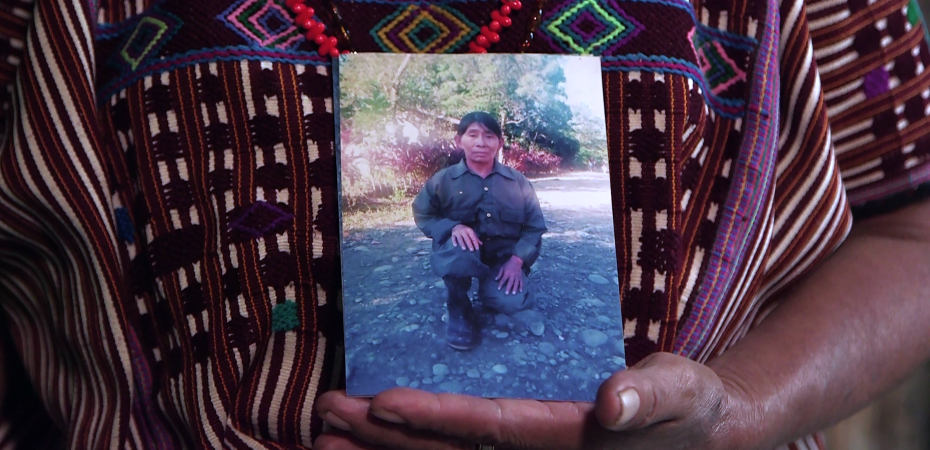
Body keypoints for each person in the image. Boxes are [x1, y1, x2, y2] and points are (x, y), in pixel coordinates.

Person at [1, 0, 930, 449]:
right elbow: (415, 211)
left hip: (527, 287)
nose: (482, 153)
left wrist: (739, 409)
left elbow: (911, 228)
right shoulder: (445, 180)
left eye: (492, 143)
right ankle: (460, 321)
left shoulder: (523, 188)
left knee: (504, 280)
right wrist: (444, 234)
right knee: (457, 274)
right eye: (472, 143)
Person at [411, 112, 547, 351]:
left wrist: (517, 261)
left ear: (500, 143)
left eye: (489, 136)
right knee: (458, 246)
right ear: (459, 141)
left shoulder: (519, 183)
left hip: (503, 259)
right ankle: (459, 305)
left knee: (511, 302)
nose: (481, 142)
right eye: (472, 135)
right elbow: (424, 214)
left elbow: (535, 226)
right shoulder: (443, 181)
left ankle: (490, 287)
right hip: (463, 255)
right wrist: (453, 226)